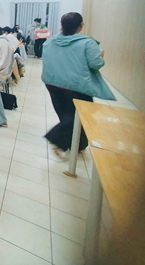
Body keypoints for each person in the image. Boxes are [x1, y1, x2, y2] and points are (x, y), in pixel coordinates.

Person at [42, 12, 115, 157]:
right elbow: (95, 64)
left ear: (62, 26)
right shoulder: (88, 43)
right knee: (80, 116)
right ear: (80, 26)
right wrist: (101, 57)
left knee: (65, 113)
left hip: (52, 83)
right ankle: (56, 138)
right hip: (76, 85)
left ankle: (78, 145)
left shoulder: (50, 42)